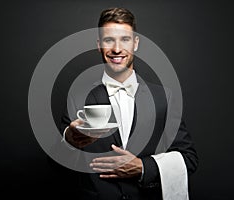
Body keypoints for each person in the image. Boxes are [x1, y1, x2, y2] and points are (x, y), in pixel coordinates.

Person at [58, 7, 198, 200]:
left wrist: (142, 167)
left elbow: (188, 159)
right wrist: (70, 140)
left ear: (136, 43)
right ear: (99, 44)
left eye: (125, 39)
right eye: (109, 40)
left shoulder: (164, 98)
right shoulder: (77, 97)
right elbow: (57, 165)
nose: (117, 49)